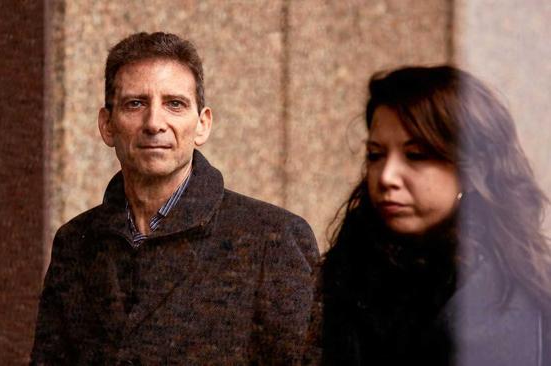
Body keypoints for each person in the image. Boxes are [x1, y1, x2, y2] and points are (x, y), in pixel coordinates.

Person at [30, 32, 320, 365]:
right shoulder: (75, 243)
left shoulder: (273, 239)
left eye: (175, 104)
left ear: (202, 124)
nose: (154, 123)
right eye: (135, 103)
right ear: (107, 125)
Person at [320, 65, 551, 365]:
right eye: (375, 155)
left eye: (415, 155)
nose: (387, 176)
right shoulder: (339, 276)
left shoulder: (519, 292)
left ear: (471, 168)